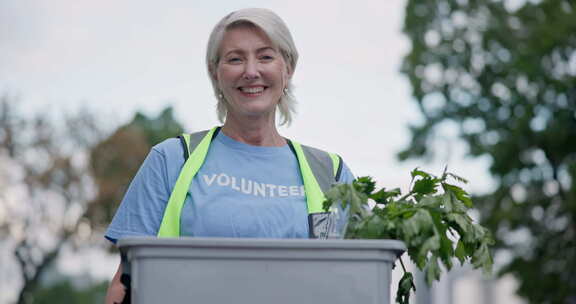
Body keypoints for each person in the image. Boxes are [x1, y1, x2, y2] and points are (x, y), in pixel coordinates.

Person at [104, 8, 354, 303]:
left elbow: (356, 281)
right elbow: (126, 282)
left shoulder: (331, 173)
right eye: (235, 58)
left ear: (288, 68)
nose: (251, 71)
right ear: (215, 72)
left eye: (265, 56)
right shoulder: (171, 160)